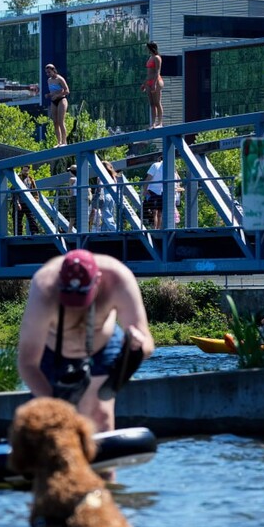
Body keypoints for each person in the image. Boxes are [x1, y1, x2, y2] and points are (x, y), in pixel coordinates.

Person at [17, 250, 154, 432]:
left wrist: (137, 345)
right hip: (52, 353)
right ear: (59, 280)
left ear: (97, 279)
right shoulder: (43, 287)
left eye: (82, 298)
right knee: (52, 424)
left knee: (100, 416)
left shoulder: (118, 278)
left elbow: (148, 344)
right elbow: (27, 363)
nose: (76, 306)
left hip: (102, 347)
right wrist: (55, 407)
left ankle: (104, 458)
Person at [44, 64, 69, 147]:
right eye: (46, 72)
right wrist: (49, 95)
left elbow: (67, 91)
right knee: (55, 122)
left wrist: (57, 96)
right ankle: (59, 142)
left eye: (49, 72)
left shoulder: (60, 79)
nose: (48, 74)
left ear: (53, 70)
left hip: (62, 100)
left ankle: (64, 142)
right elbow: (53, 91)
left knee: (61, 121)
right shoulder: (49, 80)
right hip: (53, 101)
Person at [141, 41, 164, 129]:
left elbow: (157, 71)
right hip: (148, 82)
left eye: (148, 47)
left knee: (157, 102)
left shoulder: (157, 58)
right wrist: (144, 83)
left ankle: (160, 123)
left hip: (156, 81)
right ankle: (153, 123)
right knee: (151, 104)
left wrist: (154, 83)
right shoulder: (150, 57)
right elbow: (148, 73)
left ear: (151, 48)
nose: (147, 49)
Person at [14, 165, 40, 235]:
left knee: (31, 218)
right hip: (19, 202)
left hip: (28, 202)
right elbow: (14, 191)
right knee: (18, 220)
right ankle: (18, 235)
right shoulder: (18, 178)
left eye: (27, 170)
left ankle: (34, 233)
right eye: (24, 170)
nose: (26, 172)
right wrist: (17, 202)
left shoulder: (31, 179)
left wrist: (36, 201)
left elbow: (35, 191)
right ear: (21, 170)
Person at [143, 155, 165, 229]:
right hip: (162, 191)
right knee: (159, 212)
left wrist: (145, 189)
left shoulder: (155, 165)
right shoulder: (169, 167)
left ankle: (155, 228)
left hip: (153, 190)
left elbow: (148, 178)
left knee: (154, 211)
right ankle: (157, 228)